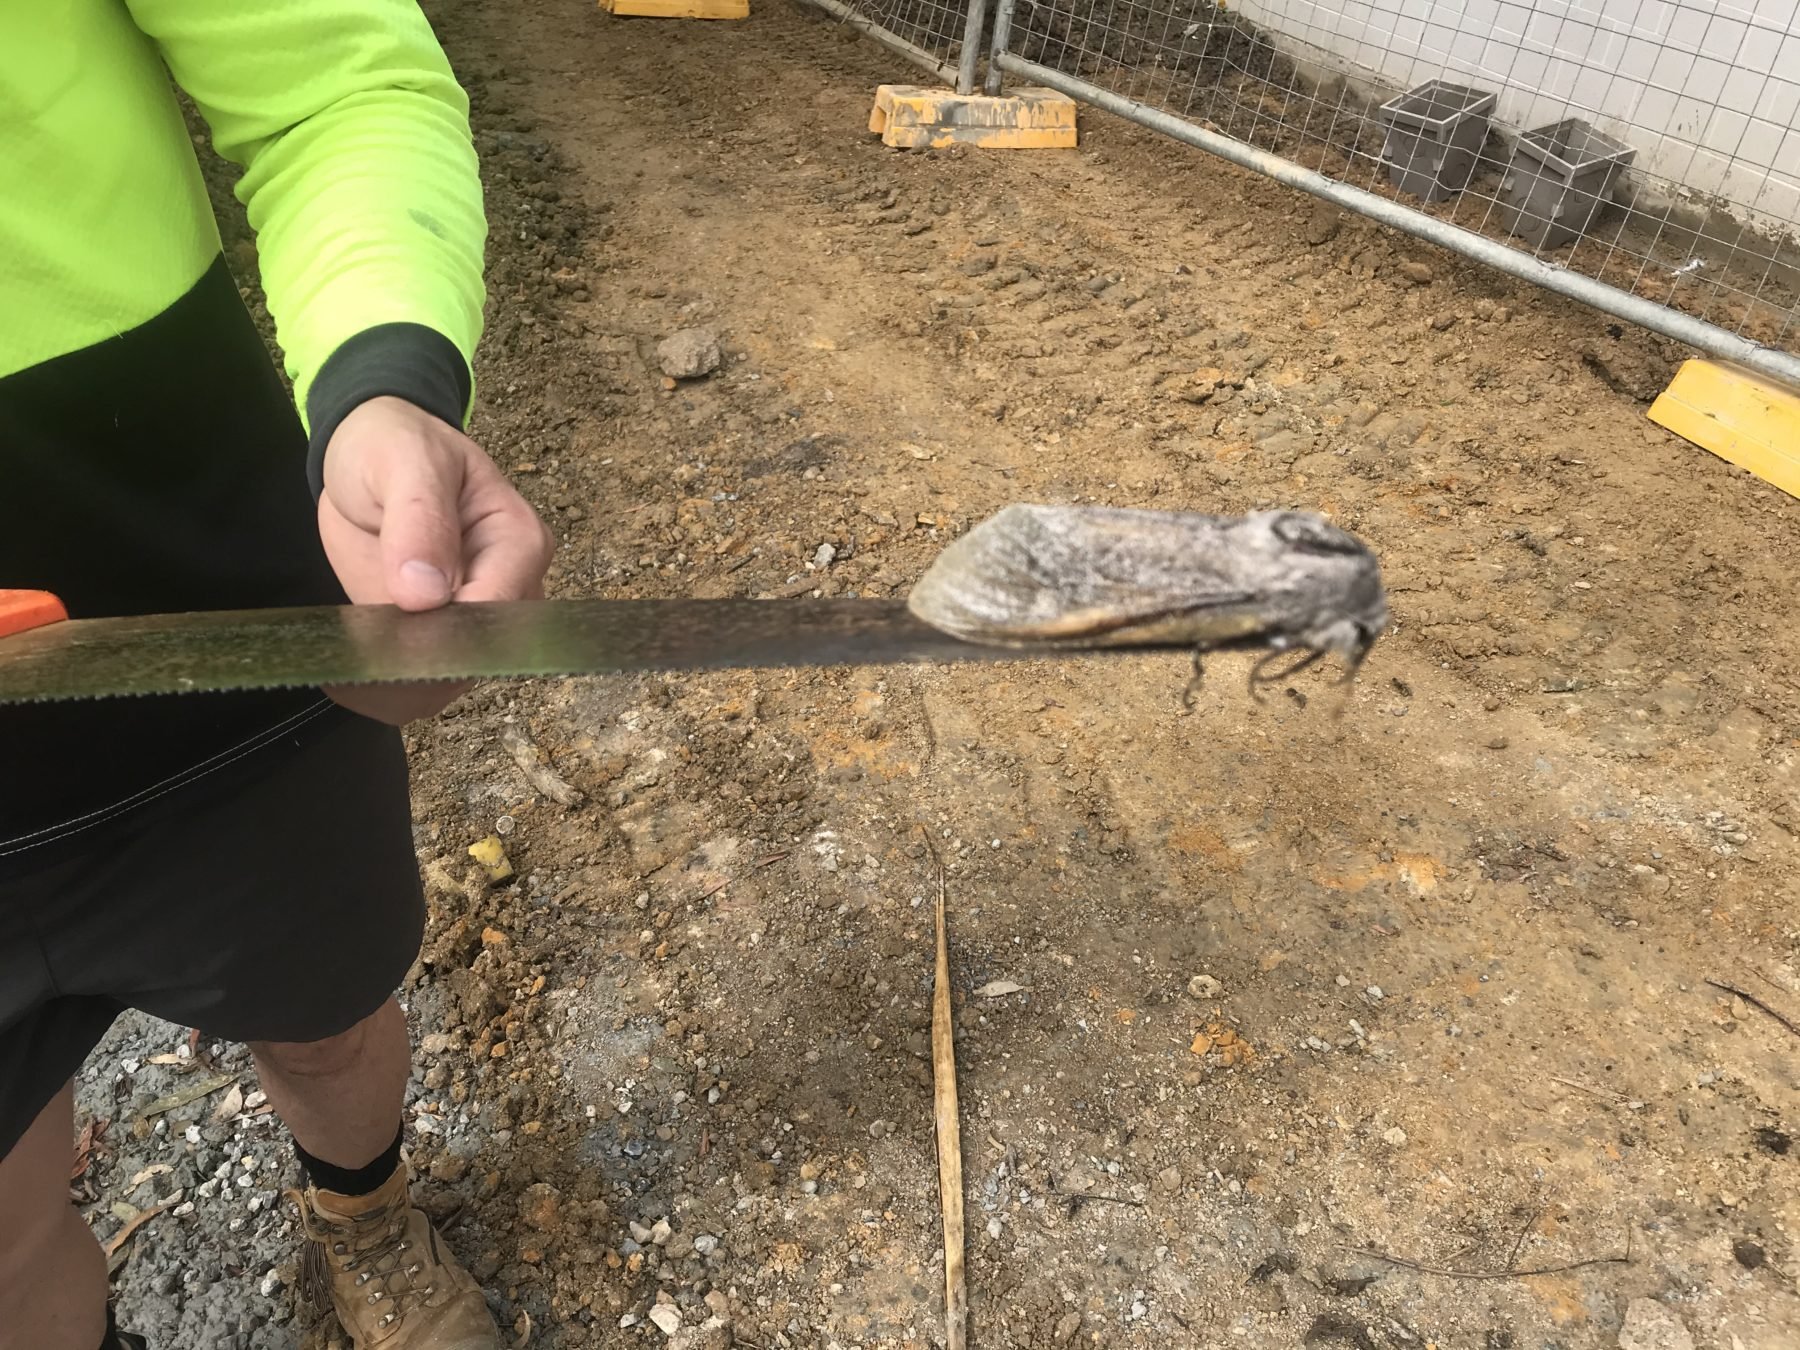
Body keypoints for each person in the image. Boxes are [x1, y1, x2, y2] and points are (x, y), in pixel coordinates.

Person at [1, 4, 554, 1348]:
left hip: (211, 589)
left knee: (328, 1015)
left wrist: (384, 381)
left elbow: (330, 77)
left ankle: (362, 1210)